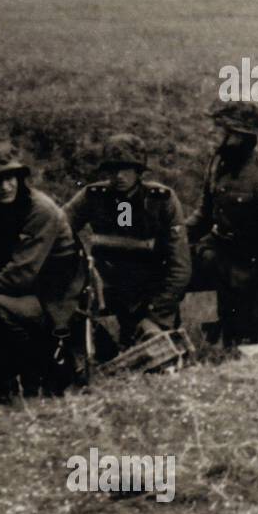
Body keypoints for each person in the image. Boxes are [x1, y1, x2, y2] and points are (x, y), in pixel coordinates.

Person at [0, 145, 86, 396]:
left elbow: (20, 274)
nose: (4, 187)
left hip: (56, 302)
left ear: (19, 179)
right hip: (25, 296)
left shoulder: (39, 210)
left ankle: (40, 368)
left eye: (9, 178)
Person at [185, 102, 258, 347]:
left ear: (239, 136)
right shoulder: (219, 163)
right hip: (217, 254)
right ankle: (157, 340)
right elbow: (203, 216)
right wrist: (172, 235)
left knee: (243, 345)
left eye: (221, 130)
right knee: (163, 270)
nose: (214, 134)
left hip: (249, 270)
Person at [63, 133, 191, 351]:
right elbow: (57, 228)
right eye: (113, 169)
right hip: (108, 287)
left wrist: (157, 313)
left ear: (139, 170)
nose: (119, 176)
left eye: (126, 169)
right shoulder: (92, 196)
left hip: (151, 291)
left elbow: (180, 266)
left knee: (156, 352)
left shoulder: (161, 200)